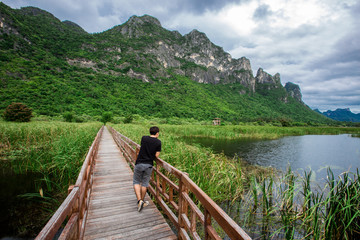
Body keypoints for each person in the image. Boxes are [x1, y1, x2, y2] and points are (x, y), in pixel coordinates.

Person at [133, 126, 161, 212]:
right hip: (148, 164)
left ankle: (139, 200)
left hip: (139, 163)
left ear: (150, 132)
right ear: (157, 133)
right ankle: (142, 200)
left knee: (136, 182)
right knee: (144, 183)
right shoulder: (158, 142)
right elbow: (156, 156)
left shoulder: (144, 138)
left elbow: (142, 147)